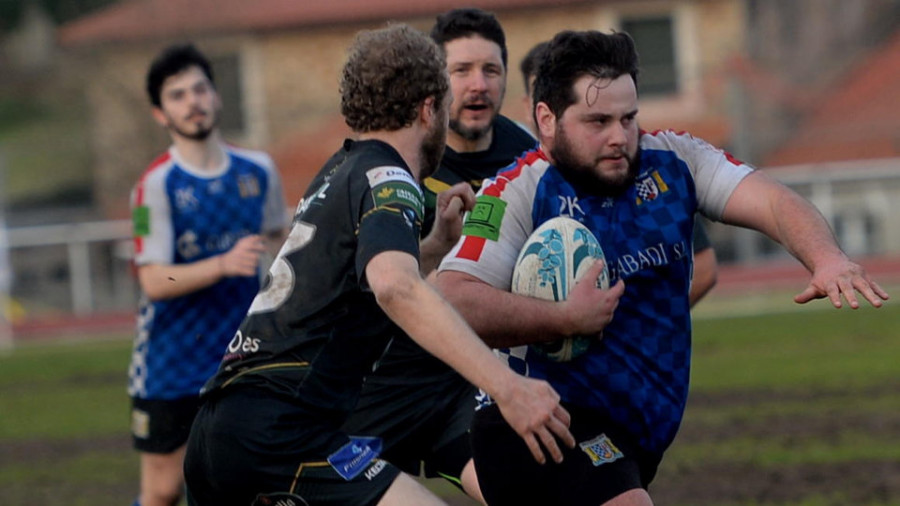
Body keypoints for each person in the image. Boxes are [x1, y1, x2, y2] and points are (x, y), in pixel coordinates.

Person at [435, 29, 889, 506]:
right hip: (535, 426)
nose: (619, 137)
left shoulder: (674, 163)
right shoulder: (517, 192)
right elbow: (452, 298)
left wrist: (826, 257)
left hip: (635, 431)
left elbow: (774, 201)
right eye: (598, 121)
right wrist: (563, 319)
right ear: (546, 120)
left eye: (629, 118)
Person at [183, 24, 574, 506]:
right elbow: (395, 287)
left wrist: (431, 246)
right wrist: (508, 388)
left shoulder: (339, 169)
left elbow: (357, 278)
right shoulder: (392, 178)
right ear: (429, 108)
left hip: (220, 425)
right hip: (282, 428)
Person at [341, 8, 537, 499]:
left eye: (491, 70)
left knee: (528, 490)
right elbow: (370, 284)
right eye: (462, 71)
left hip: (462, 384)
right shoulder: (389, 160)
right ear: (435, 90)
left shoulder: (527, 155)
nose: (478, 85)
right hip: (373, 391)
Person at [128, 44, 288, 506]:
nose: (192, 101)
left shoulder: (258, 170)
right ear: (160, 113)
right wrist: (222, 264)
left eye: (200, 88)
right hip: (170, 362)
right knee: (162, 491)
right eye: (177, 95)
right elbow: (154, 282)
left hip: (242, 356)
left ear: (217, 96)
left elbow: (284, 244)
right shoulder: (155, 186)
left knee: (248, 482)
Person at [518, 38, 718, 307]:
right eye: (538, 96)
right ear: (535, 109)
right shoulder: (516, 181)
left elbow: (704, 267)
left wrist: (637, 327)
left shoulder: (641, 170)